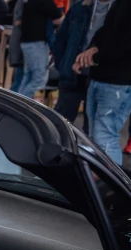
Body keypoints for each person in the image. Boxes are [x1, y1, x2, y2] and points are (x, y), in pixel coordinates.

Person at [74, 1, 131, 165]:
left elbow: (125, 44)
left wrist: (95, 55)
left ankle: (110, 188)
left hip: (118, 82)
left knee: (104, 136)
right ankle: (101, 186)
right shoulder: (119, 4)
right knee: (95, 137)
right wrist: (93, 49)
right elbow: (107, 30)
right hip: (102, 77)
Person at [52, 0, 114, 131]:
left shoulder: (119, 11)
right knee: (59, 126)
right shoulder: (79, 8)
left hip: (100, 76)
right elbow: (61, 39)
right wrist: (63, 65)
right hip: (72, 75)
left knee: (92, 131)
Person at [16, 0, 64, 99]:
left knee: (28, 78)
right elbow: (57, 15)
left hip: (27, 41)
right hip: (37, 43)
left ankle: (17, 105)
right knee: (39, 80)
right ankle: (23, 106)